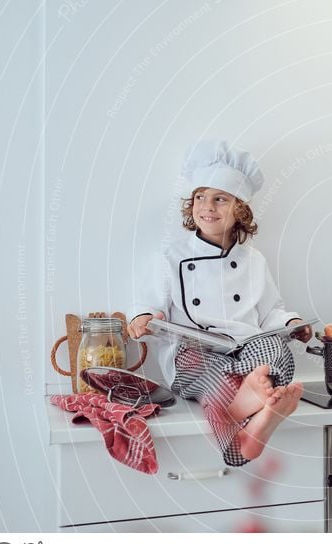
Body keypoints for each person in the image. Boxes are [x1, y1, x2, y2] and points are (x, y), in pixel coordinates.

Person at [127, 139, 312, 466]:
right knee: (216, 374)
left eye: (220, 199)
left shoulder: (253, 261)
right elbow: (148, 304)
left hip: (246, 348)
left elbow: (271, 313)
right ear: (191, 205)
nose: (207, 206)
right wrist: (143, 317)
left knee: (276, 353)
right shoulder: (170, 258)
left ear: (240, 210)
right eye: (200, 197)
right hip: (193, 352)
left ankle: (249, 413)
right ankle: (250, 410)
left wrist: (291, 325)